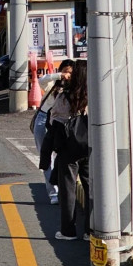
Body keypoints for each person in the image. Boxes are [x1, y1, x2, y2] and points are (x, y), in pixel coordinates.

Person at [51, 59, 90, 241]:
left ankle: (68, 231)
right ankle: (91, 231)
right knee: (91, 188)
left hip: (68, 148)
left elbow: (55, 121)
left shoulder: (64, 96)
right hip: (89, 147)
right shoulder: (94, 96)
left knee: (68, 189)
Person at [33, 58, 74, 203]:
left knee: (61, 156)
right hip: (43, 119)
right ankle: (53, 193)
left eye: (70, 73)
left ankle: (62, 188)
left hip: (61, 123)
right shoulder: (53, 83)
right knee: (46, 156)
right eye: (65, 72)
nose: (67, 76)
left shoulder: (74, 88)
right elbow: (41, 81)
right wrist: (59, 76)